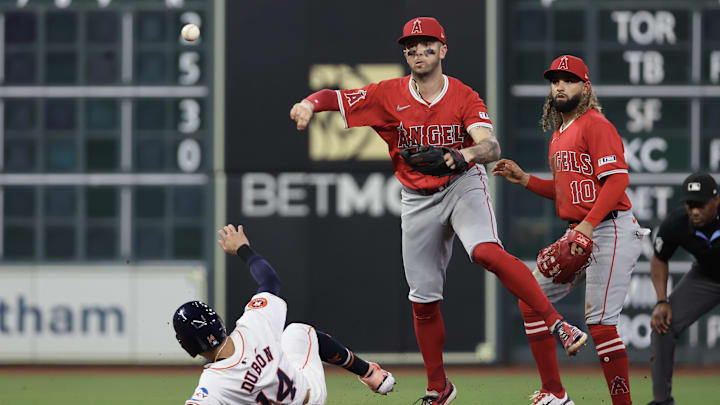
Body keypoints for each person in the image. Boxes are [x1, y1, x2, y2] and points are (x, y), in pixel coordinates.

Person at [289, 17, 587, 405]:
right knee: (423, 300)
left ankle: (557, 324)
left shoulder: (462, 95)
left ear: (443, 50)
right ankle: (438, 389)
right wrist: (307, 105)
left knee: (485, 252)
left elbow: (491, 147)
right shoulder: (388, 94)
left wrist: (458, 155)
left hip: (463, 184)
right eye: (410, 47)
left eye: (427, 45)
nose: (417, 52)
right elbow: (334, 97)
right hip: (416, 197)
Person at [493, 55, 646, 405]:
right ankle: (555, 392)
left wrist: (588, 227)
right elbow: (568, 192)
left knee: (601, 325)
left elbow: (618, 179)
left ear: (585, 87)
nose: (560, 86)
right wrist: (526, 180)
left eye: (569, 80)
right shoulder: (559, 135)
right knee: (531, 298)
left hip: (610, 228)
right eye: (554, 80)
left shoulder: (596, 124)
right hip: (580, 231)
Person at [174, 224, 395, 405]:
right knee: (298, 331)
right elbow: (270, 280)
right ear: (218, 323)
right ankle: (371, 375)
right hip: (309, 398)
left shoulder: (214, 384)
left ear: (188, 347)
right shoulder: (254, 324)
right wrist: (243, 248)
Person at [647, 172, 720, 405]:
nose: (695, 211)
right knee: (662, 326)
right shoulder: (677, 222)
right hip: (706, 278)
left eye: (701, 205)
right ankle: (661, 402)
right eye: (690, 205)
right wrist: (661, 301)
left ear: (716, 201)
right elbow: (659, 258)